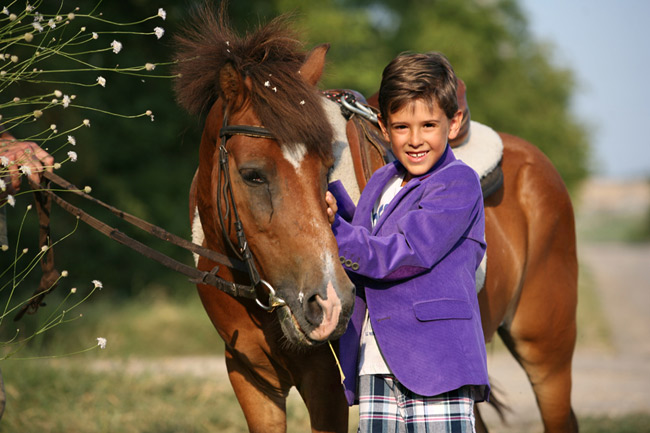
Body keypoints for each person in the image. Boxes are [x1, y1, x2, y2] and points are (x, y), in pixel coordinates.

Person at [325, 51, 489, 432]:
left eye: (429, 124)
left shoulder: (457, 183)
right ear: (383, 126)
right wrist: (328, 207)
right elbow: (370, 236)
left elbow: (403, 253)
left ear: (454, 122)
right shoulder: (383, 179)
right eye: (401, 127)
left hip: (436, 362)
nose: (415, 140)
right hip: (376, 361)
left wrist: (334, 229)